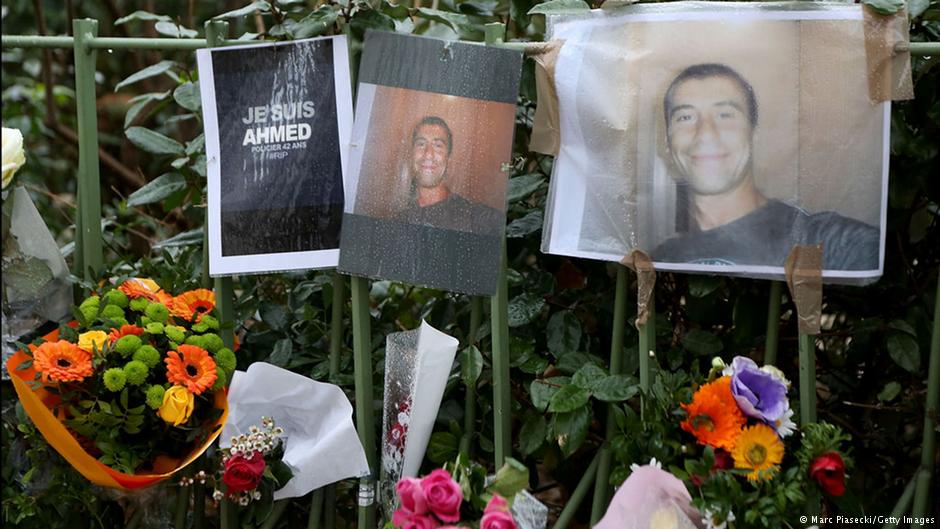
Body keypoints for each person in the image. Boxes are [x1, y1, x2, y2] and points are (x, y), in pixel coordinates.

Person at [651, 63, 879, 270]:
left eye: (724, 114)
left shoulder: (832, 243)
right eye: (685, 117)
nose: (706, 134)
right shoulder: (661, 261)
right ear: (667, 144)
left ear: (754, 134)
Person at [396, 116, 503, 235]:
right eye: (421, 144)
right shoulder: (399, 219)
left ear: (448, 158)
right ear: (411, 154)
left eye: (438, 146)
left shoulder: (474, 217)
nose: (428, 154)